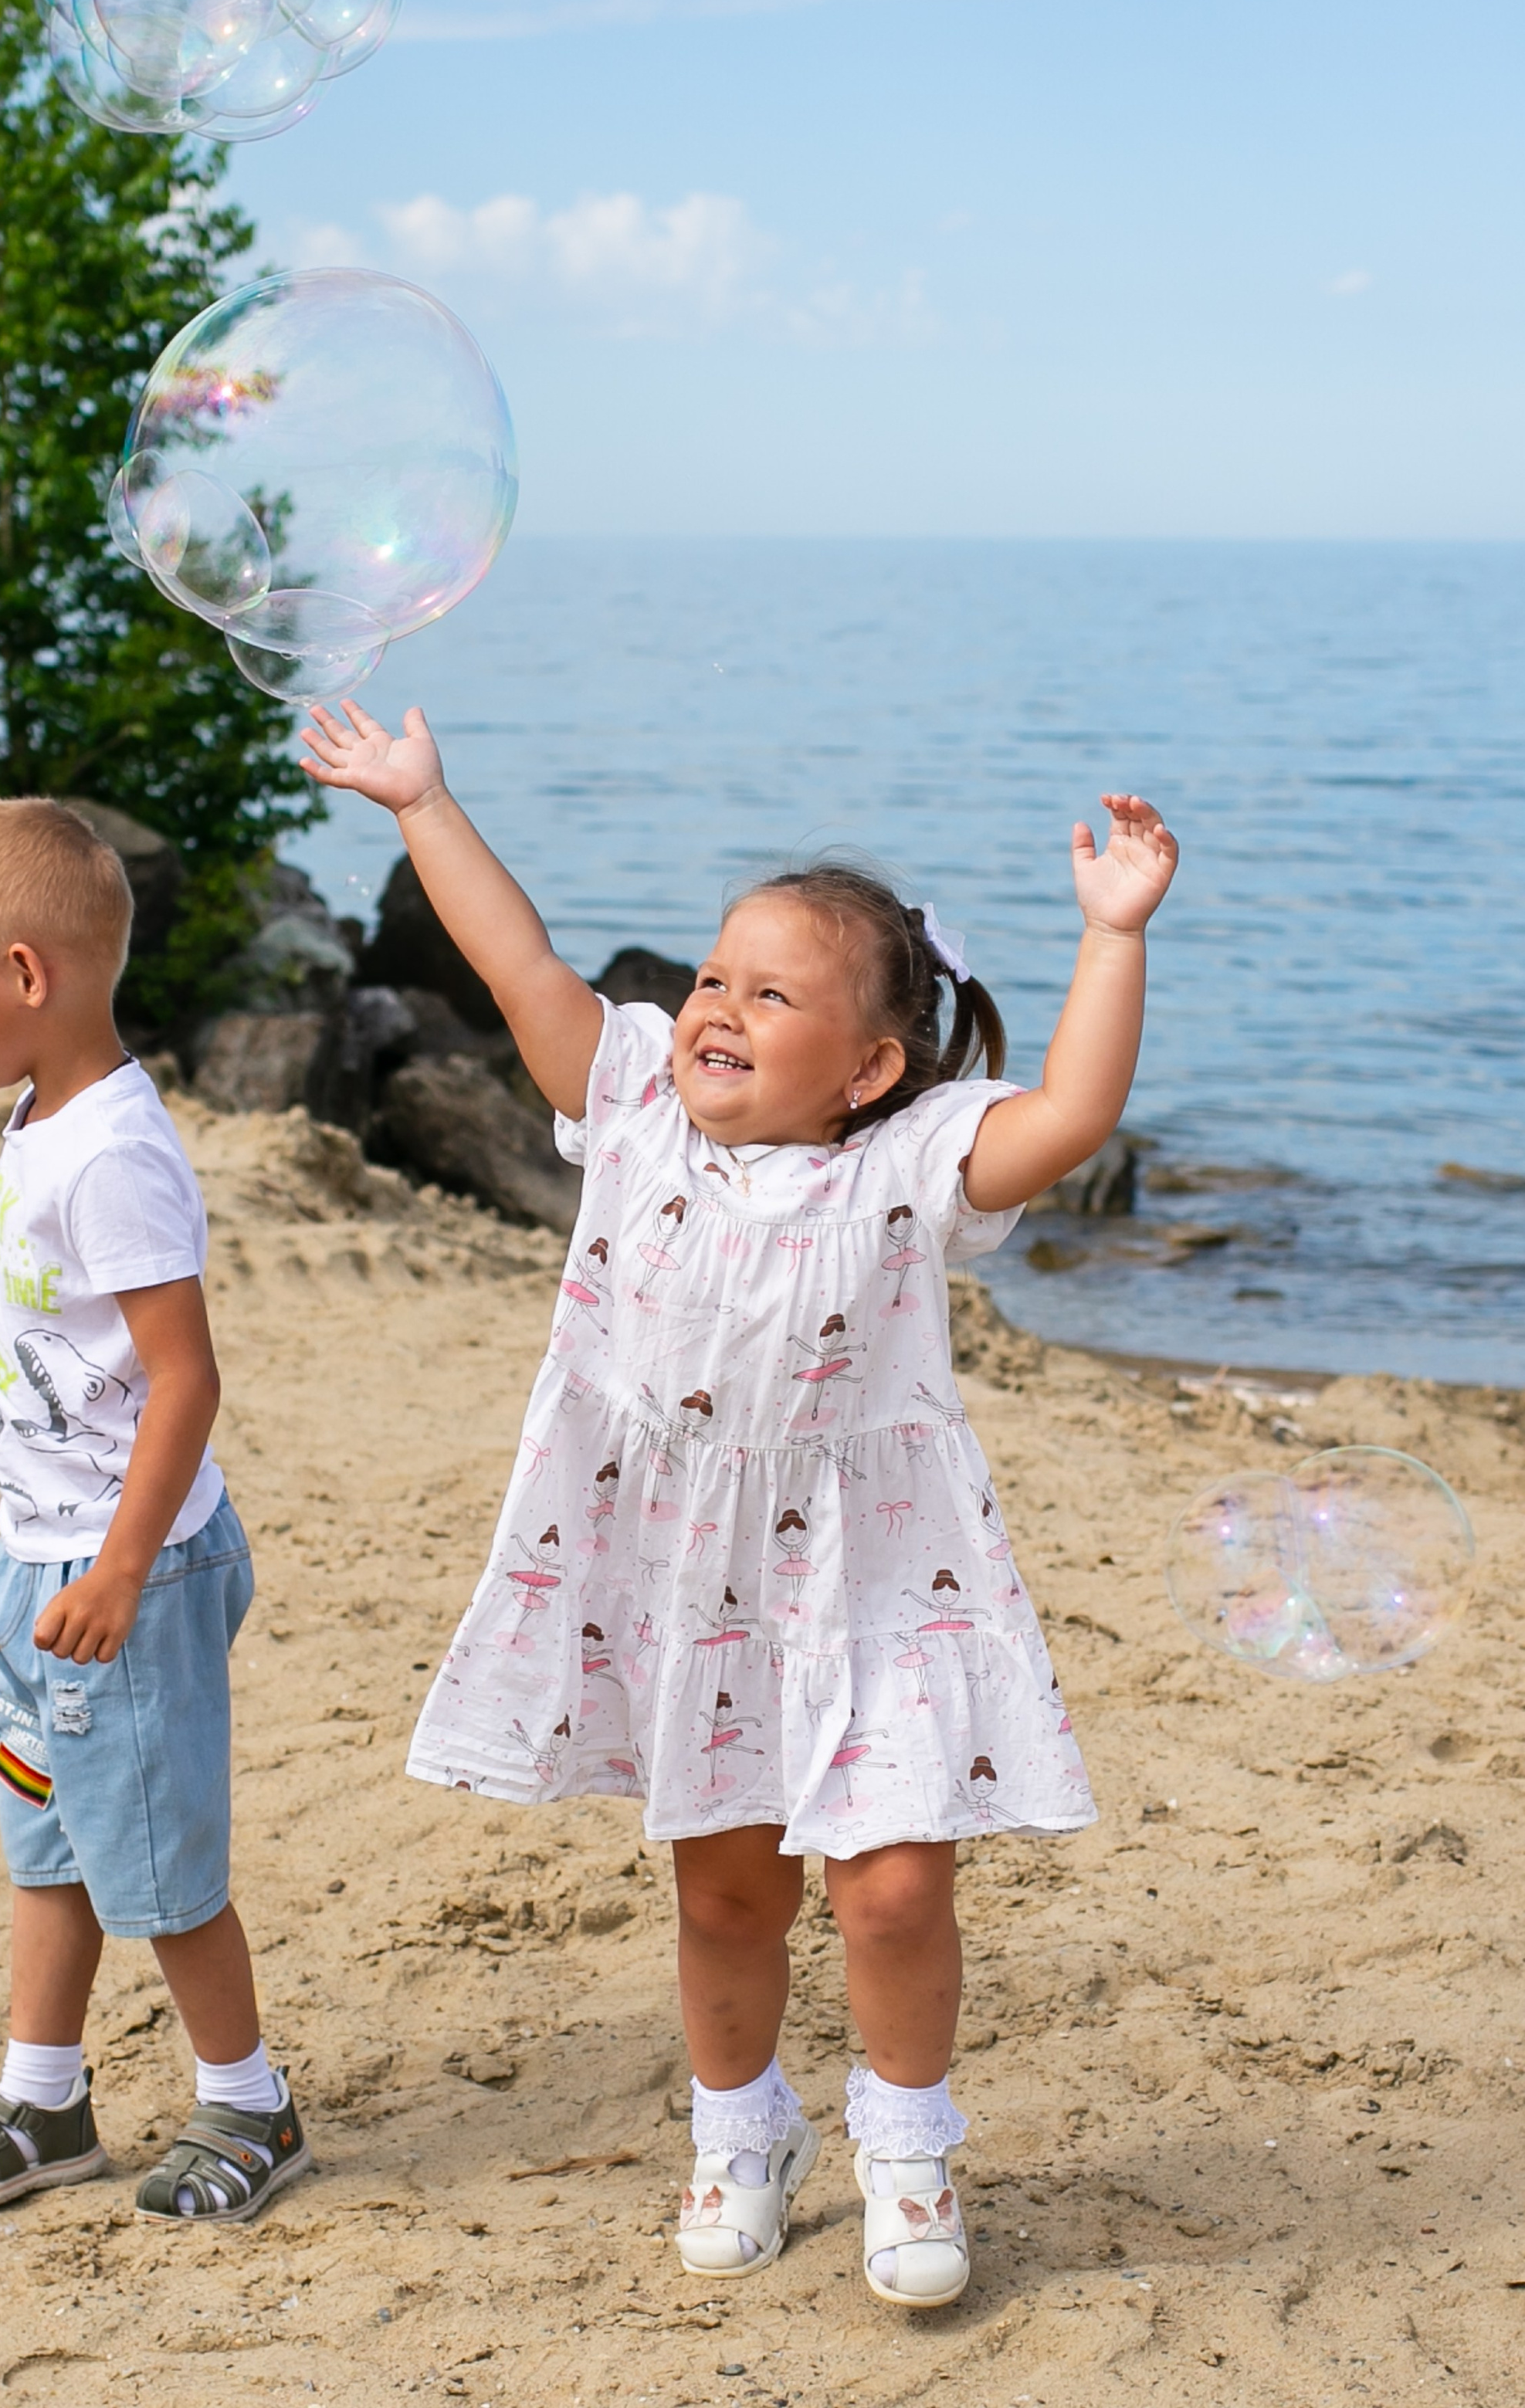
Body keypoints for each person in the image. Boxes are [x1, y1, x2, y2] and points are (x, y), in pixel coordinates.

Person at [300, 699, 1178, 2307]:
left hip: (875, 1571)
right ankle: (740, 2127)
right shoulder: (629, 1104)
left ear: (868, 1065)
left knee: (896, 1882)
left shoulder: (906, 1164)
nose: (714, 1006)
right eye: (712, 975)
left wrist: (1109, 936)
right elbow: (521, 971)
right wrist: (421, 802)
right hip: (681, 1570)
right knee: (721, 1886)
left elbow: (1066, 1118)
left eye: (768, 994)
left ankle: (905, 2148)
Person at [0, 798, 308, 2226]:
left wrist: (124, 1567)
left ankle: (252, 2105)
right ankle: (44, 2098)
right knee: (50, 1839)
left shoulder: (115, 1148)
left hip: (128, 1576)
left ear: (25, 974)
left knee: (162, 1860)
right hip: (40, 1566)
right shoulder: (40, 1111)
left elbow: (186, 1380)